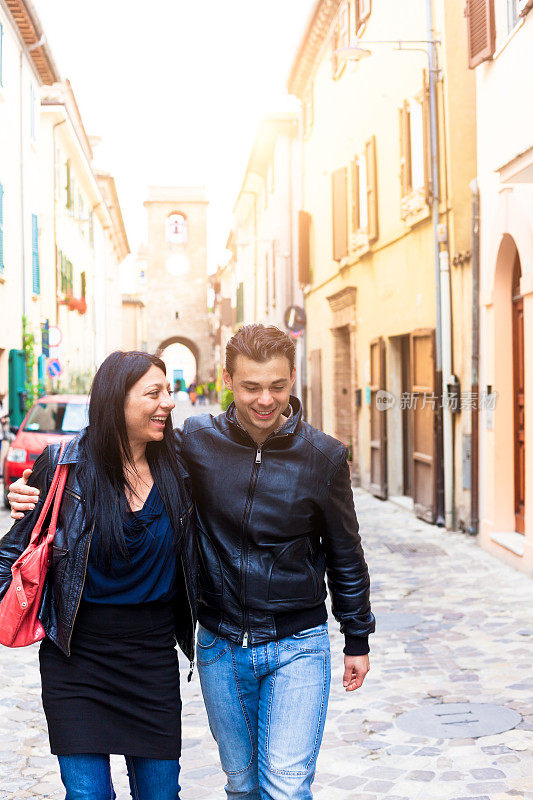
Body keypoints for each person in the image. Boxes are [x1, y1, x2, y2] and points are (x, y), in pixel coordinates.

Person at [9, 324, 374, 800]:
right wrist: (27, 495)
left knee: (279, 786)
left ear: (293, 380)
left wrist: (356, 635)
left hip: (255, 645)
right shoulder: (177, 447)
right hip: (153, 650)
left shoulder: (313, 456)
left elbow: (346, 552)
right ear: (227, 381)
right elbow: (25, 537)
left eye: (278, 386)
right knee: (232, 788)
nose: (266, 399)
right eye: (251, 387)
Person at [1, 351, 197, 800]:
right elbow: (10, 554)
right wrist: (19, 607)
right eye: (154, 393)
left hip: (151, 659)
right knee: (87, 795)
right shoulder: (63, 465)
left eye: (168, 390)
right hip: (76, 660)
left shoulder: (181, 464)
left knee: (161, 794)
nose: (168, 402)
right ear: (115, 400)